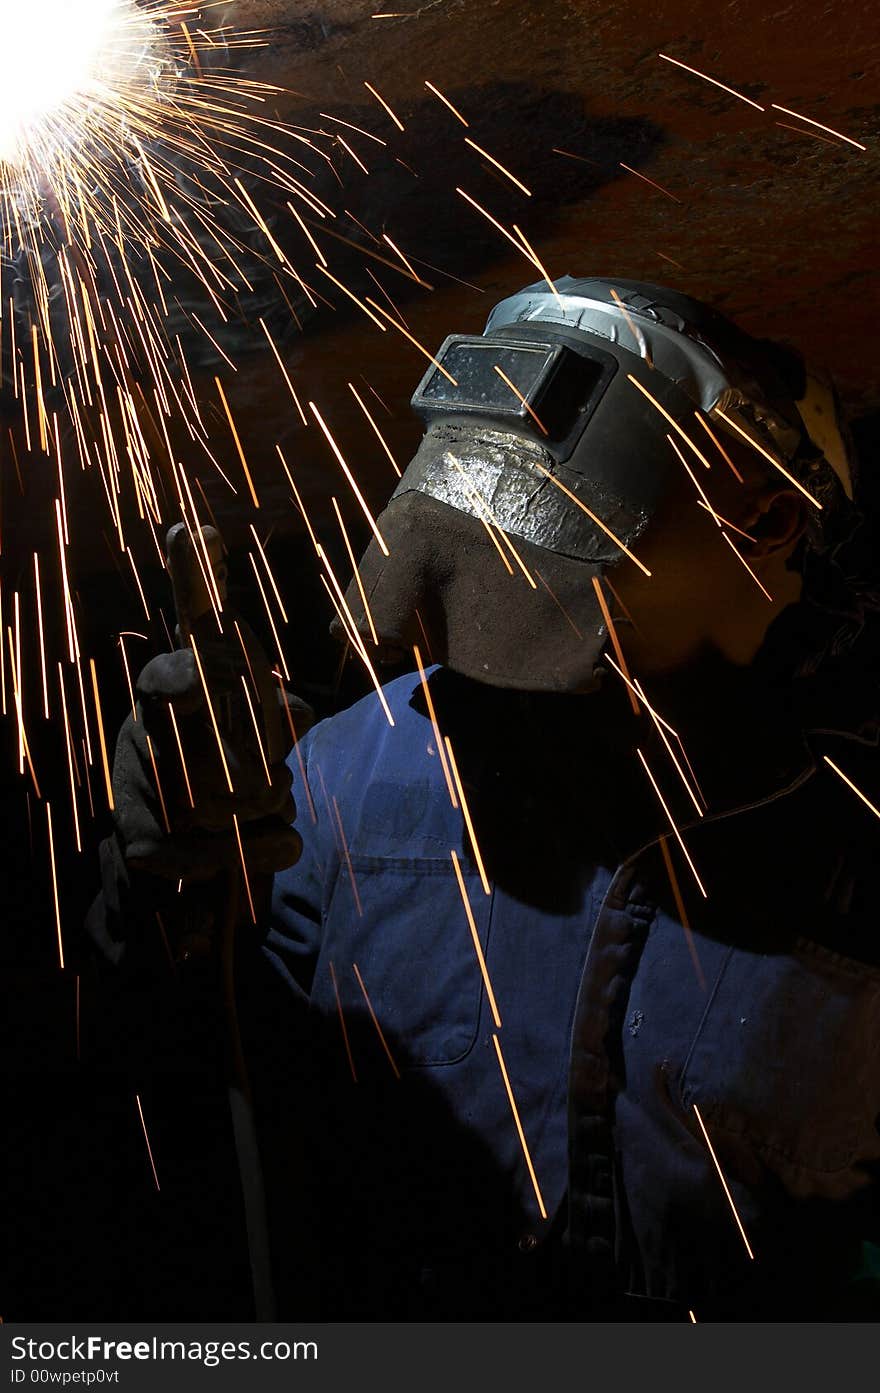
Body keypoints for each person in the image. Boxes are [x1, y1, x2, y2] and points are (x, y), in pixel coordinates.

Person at [89, 277, 880, 1322]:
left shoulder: (851, 858)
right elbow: (178, 1079)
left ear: (766, 523)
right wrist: (163, 893)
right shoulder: (347, 774)